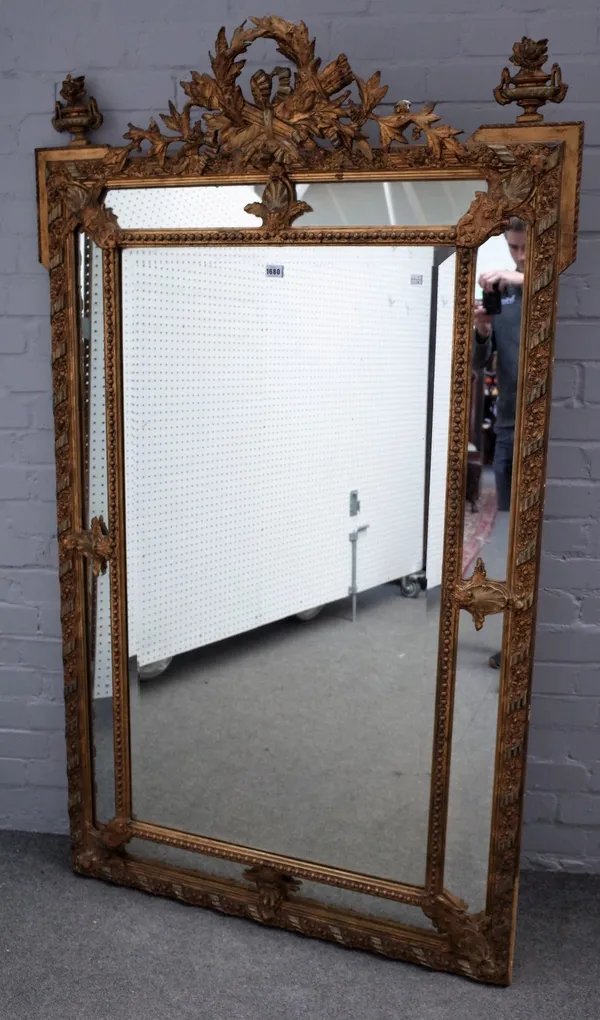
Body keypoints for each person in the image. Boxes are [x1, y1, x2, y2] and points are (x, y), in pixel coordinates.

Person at [472, 217, 526, 669]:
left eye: (526, 248)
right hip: (509, 428)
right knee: (513, 537)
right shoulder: (504, 296)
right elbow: (477, 364)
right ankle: (514, 640)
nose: (519, 256)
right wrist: (483, 330)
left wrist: (523, 277)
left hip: (556, 429)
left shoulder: (560, 279)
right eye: (512, 249)